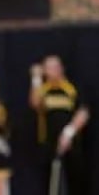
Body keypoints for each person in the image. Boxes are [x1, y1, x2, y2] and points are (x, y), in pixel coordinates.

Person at [30, 55, 90, 195]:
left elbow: (84, 112)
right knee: (50, 185)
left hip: (71, 143)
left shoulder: (72, 88)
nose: (53, 71)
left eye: (56, 67)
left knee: (76, 182)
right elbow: (35, 103)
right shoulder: (42, 89)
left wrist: (68, 133)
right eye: (49, 68)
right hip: (48, 144)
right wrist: (36, 79)